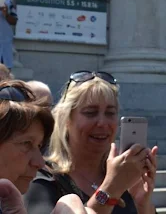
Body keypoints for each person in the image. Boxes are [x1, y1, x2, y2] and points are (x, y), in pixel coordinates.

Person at [24, 71, 158, 214]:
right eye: (90, 113)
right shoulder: (42, 177)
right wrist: (110, 189)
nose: (102, 123)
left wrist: (142, 204)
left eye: (110, 113)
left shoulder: (124, 178)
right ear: (67, 119)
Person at [0, 0, 18, 70]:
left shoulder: (7, 3)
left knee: (4, 79)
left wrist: (6, 14)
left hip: (3, 48)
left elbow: (14, 21)